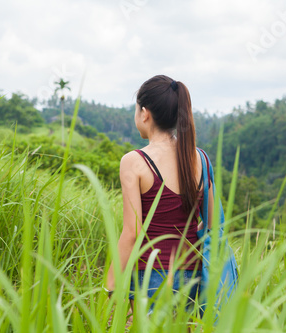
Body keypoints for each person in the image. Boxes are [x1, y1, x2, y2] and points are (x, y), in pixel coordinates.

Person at [105, 75, 214, 317]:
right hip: (194, 274)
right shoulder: (201, 159)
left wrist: (110, 283)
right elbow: (212, 223)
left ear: (144, 113)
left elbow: (131, 233)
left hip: (151, 276)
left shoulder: (134, 162)